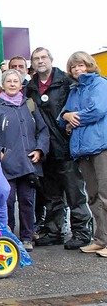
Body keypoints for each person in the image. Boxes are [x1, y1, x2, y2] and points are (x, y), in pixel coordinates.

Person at [26, 47, 92, 250]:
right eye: (36, 59)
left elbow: (82, 104)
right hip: (45, 148)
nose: (40, 61)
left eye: (43, 57)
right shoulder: (30, 87)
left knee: (74, 192)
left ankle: (82, 232)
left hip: (66, 145)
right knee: (51, 193)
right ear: (33, 64)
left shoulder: (66, 81)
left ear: (51, 59)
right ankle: (55, 231)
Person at [0, 69, 50, 251]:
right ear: (3, 85)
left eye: (16, 81)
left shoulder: (29, 105)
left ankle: (27, 237)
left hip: (29, 163)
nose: (12, 84)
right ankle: (9, 236)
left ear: (21, 84)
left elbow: (43, 130)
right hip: (6, 165)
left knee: (28, 201)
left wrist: (39, 149)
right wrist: (0, 152)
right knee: (7, 201)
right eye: (9, 81)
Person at [60, 51, 107, 257]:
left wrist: (74, 117)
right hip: (82, 149)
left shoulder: (99, 84)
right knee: (93, 196)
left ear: (89, 65)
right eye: (73, 67)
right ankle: (100, 239)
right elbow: (62, 117)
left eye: (81, 65)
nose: (77, 70)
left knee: (106, 195)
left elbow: (97, 110)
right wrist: (66, 115)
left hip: (101, 146)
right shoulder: (75, 90)